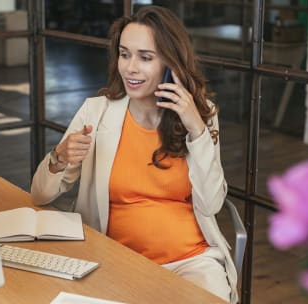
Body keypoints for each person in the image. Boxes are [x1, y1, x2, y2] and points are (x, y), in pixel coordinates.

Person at [31, 5, 237, 303]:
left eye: (145, 57)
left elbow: (212, 202)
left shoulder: (201, 115)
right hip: (115, 261)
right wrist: (59, 158)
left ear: (171, 64)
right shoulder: (96, 112)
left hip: (191, 263)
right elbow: (39, 195)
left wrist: (197, 130)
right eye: (124, 54)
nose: (130, 67)